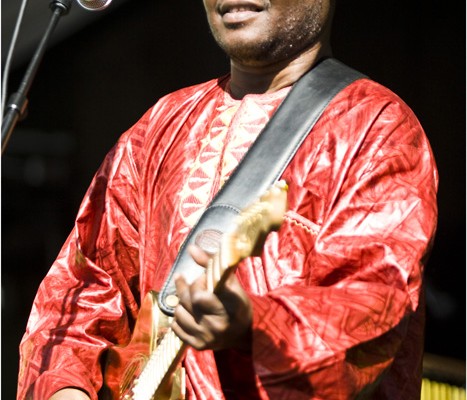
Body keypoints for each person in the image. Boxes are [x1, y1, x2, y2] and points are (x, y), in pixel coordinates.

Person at [17, 0, 438, 399]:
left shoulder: (377, 129)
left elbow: (374, 307)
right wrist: (65, 388)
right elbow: (75, 299)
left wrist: (254, 323)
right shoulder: (157, 129)